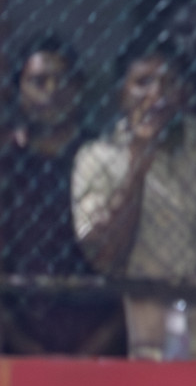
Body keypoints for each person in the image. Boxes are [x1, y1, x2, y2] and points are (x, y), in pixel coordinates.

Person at [72, 47, 196, 359]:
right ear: (121, 93)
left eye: (168, 83)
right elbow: (102, 251)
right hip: (146, 324)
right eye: (143, 82)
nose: (156, 95)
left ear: (185, 93)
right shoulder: (97, 157)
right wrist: (138, 161)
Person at [0, 35, 124, 355]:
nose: (53, 91)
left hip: (100, 334)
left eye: (64, 80)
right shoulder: (8, 165)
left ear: (79, 88)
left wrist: (94, 349)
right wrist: (27, 348)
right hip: (20, 338)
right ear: (18, 90)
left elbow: (129, 261)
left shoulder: (105, 158)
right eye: (39, 81)